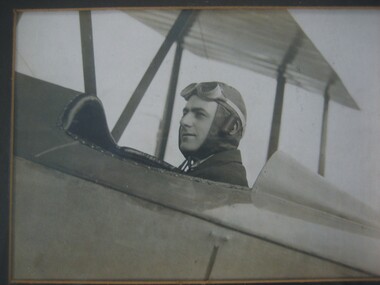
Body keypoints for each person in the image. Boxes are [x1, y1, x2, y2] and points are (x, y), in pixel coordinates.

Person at [178, 81, 248, 187]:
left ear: (232, 127)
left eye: (200, 115)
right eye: (185, 113)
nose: (184, 121)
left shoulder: (225, 180)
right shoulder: (206, 171)